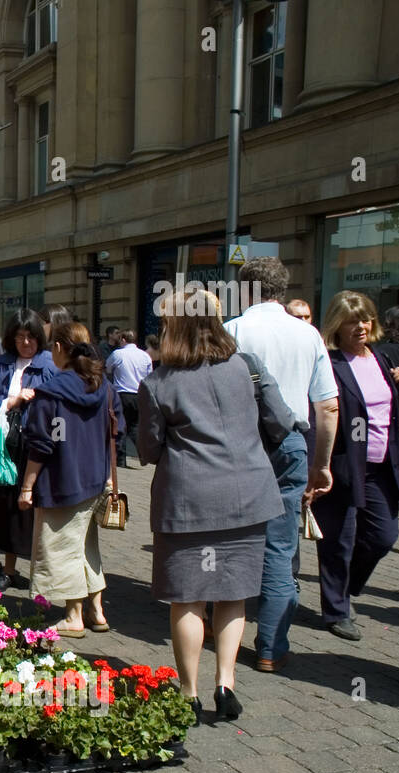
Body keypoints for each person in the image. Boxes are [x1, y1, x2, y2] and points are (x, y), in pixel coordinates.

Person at [139, 289, 288, 722]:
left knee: (187, 599)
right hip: (248, 497)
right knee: (232, 595)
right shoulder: (245, 368)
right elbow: (279, 420)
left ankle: (189, 692)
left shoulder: (159, 382)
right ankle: (226, 683)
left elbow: (148, 450)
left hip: (188, 502)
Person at [224, 256, 339, 673]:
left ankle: (220, 627)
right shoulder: (307, 335)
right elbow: (327, 406)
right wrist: (321, 464)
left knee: (231, 538)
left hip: (240, 445)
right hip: (291, 443)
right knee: (280, 546)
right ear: (282, 289)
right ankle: (271, 647)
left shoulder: (232, 330)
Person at [311, 291, 399, 642]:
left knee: (384, 537)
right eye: (353, 320)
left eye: (366, 318)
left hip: (383, 464)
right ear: (338, 324)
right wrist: (318, 465)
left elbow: (389, 408)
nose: (361, 326)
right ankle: (337, 610)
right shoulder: (330, 363)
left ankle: (346, 586)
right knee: (338, 540)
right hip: (342, 463)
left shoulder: (381, 360)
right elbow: (321, 412)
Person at [18, 321, 123, 635]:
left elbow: (41, 445)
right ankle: (97, 611)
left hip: (62, 483)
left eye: (52, 347)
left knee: (62, 548)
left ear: (60, 348)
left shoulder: (50, 394)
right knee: (87, 547)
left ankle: (74, 616)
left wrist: (26, 487)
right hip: (98, 482)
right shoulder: (104, 388)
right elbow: (117, 433)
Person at [0, 310, 58, 590]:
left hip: (38, 443)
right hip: (5, 444)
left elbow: (59, 404)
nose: (25, 343)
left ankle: (40, 573)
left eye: (31, 337)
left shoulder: (50, 365)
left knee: (37, 506)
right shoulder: (1, 364)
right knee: (9, 508)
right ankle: (9, 569)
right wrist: (11, 401)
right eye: (20, 337)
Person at [105, 329, 153, 467]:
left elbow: (108, 368)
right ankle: (143, 454)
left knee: (120, 426)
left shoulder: (118, 354)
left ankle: (121, 459)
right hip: (139, 394)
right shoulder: (144, 356)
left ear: (123, 340)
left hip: (122, 394)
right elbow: (149, 375)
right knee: (135, 426)